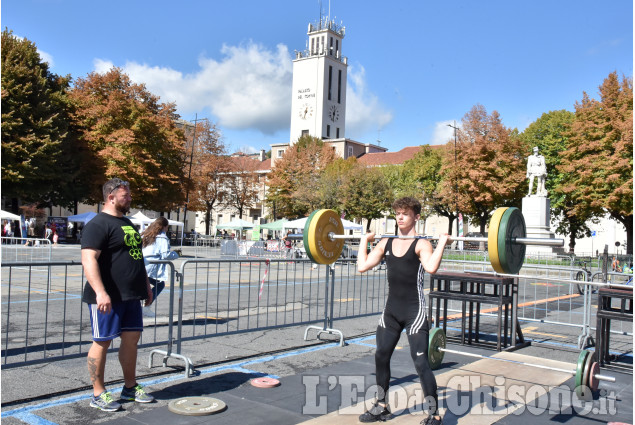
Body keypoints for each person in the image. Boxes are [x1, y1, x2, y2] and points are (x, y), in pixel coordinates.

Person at [356, 197, 449, 425]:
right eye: (397, 213)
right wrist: (363, 241)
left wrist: (442, 243)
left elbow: (431, 267)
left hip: (414, 312)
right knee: (381, 355)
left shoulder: (421, 244)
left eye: (405, 213)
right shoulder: (386, 242)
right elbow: (362, 266)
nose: (399, 217)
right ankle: (382, 406)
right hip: (391, 312)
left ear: (416, 217)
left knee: (420, 363)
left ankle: (434, 414)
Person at [80, 178, 155, 412]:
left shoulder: (128, 223)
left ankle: (130, 387)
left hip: (131, 295)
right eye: (126, 196)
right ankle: (98, 393)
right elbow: (88, 258)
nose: (130, 198)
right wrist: (100, 292)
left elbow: (136, 256)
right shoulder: (98, 224)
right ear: (111, 197)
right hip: (107, 297)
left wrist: (146, 285)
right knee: (102, 342)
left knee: (131, 340)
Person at [141, 217, 179, 317]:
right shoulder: (162, 237)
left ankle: (144, 305)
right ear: (164, 227)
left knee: (144, 285)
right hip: (153, 266)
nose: (167, 229)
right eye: (167, 227)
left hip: (143, 264)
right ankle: (146, 306)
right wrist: (175, 254)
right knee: (159, 285)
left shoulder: (147, 234)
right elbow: (165, 255)